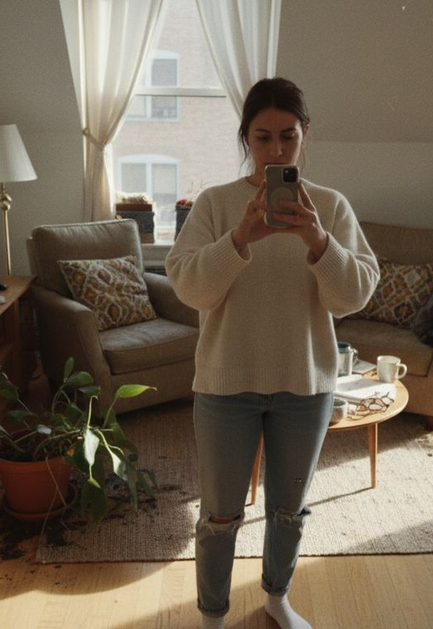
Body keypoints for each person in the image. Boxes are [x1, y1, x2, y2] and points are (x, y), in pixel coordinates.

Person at [166, 78, 379, 629]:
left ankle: (277, 598)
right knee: (219, 514)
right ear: (246, 138)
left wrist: (318, 242)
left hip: (304, 384)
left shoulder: (330, 207)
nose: (277, 150)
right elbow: (189, 287)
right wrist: (239, 239)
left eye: (288, 136)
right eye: (263, 138)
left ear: (306, 134)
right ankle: (213, 614)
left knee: (289, 509)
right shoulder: (216, 204)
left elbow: (354, 295)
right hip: (224, 384)